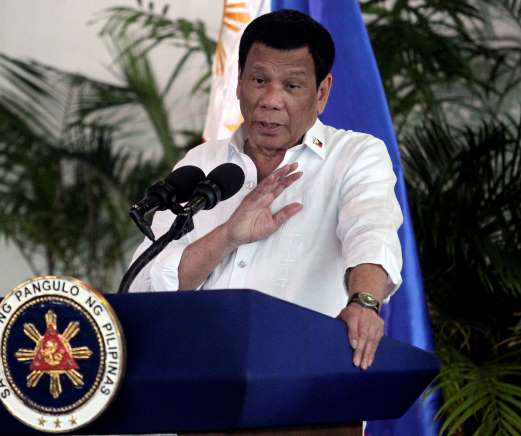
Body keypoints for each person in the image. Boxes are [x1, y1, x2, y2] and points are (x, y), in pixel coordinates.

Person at [129, 9, 403, 371]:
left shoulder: (354, 156)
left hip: (304, 386)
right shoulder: (202, 162)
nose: (271, 100)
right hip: (196, 380)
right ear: (239, 81)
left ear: (321, 93)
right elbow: (144, 287)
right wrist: (227, 236)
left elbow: (371, 231)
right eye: (259, 80)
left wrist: (365, 303)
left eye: (291, 86)